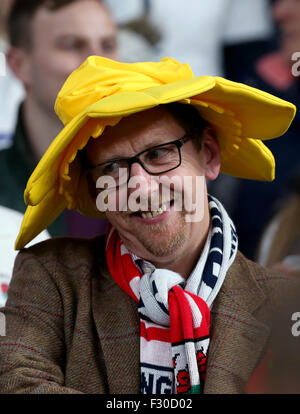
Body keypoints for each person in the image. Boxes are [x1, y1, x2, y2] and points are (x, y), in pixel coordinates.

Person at [0, 56, 297, 394]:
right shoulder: (49, 276)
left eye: (158, 154)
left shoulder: (286, 303)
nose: (140, 186)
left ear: (210, 154)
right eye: (113, 167)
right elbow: (16, 383)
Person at [0, 0, 118, 237]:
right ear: (18, 64)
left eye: (107, 45)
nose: (98, 63)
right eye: (72, 45)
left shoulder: (167, 172)